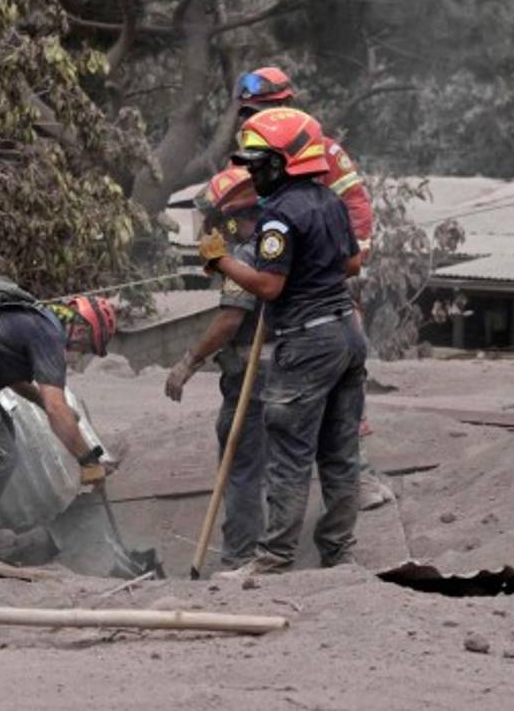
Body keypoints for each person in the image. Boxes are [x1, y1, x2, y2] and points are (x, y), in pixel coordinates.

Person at [198, 107, 367, 575]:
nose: (252, 173)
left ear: (282, 162)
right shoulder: (330, 202)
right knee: (339, 453)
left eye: (257, 164)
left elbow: (269, 288)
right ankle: (339, 554)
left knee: (289, 456)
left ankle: (272, 560)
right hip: (346, 334)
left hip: (307, 342)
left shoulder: (279, 216)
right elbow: (351, 264)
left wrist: (220, 262)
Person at [234, 66, 393, 510]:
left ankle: (354, 475)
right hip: (280, 261)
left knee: (336, 371)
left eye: (262, 108)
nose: (253, 116)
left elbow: (354, 207)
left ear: (286, 105)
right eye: (248, 110)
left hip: (319, 272)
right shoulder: (253, 148)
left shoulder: (318, 149)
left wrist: (347, 258)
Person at [0, 283, 117, 562]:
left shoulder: (39, 321)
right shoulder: (50, 335)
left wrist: (43, 402)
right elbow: (56, 407)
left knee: (3, 439)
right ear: (80, 329)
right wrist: (88, 461)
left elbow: (14, 378)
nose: (80, 352)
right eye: (86, 346)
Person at [163, 166, 267, 567]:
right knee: (279, 464)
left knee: (240, 465)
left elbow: (230, 319)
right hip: (291, 368)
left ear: (229, 218)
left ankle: (241, 556)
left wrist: (189, 361)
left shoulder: (245, 254)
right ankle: (275, 550)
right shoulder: (280, 245)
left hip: (254, 375)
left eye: (211, 222)